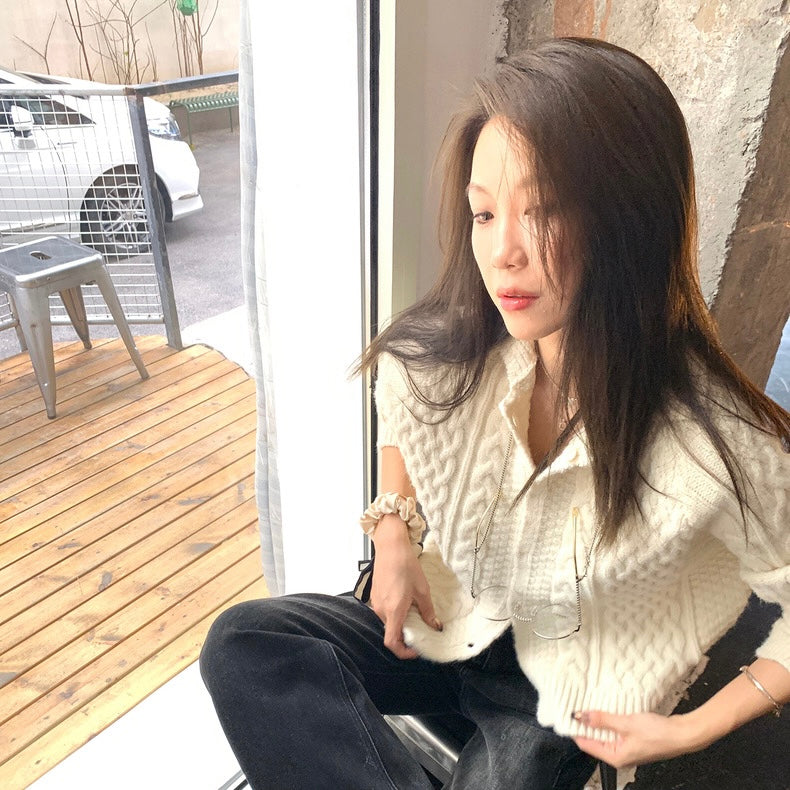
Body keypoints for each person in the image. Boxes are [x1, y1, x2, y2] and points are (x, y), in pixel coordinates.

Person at [200, 37, 790, 789]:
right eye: (483, 213)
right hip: (449, 625)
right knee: (245, 643)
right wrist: (393, 534)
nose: (501, 251)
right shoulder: (474, 352)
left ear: (628, 217)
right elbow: (402, 396)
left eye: (538, 211)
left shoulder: (714, 440)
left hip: (562, 696)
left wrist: (690, 729)